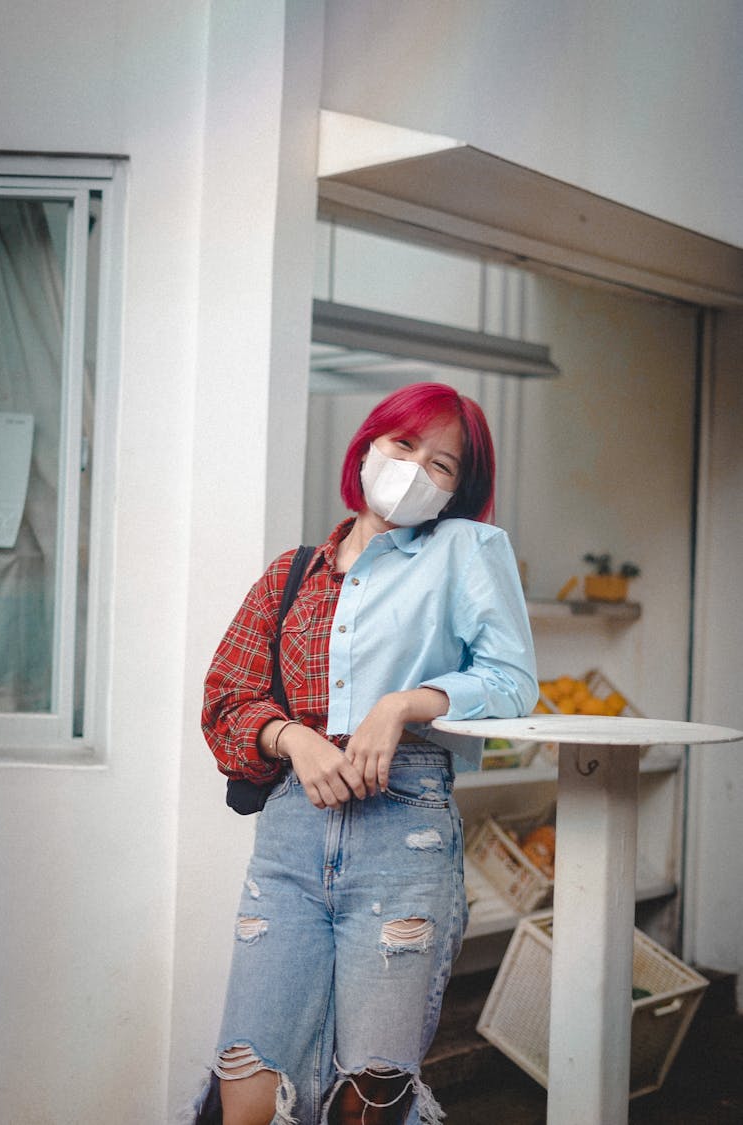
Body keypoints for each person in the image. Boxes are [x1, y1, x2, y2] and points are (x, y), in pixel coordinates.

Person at [195, 382, 538, 1125]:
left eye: (443, 465)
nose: (417, 469)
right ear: (368, 446)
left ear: (458, 491)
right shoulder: (292, 573)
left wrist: (404, 705)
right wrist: (293, 737)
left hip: (403, 834)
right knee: (247, 1091)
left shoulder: (465, 551)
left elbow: (513, 682)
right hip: (290, 840)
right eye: (405, 444)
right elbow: (228, 697)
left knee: (369, 1104)